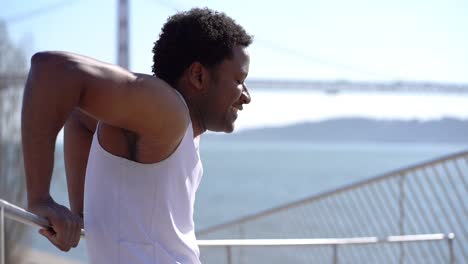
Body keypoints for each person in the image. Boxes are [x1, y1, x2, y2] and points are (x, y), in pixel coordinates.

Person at [22, 7, 252, 263]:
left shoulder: (177, 126)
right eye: (240, 79)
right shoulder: (169, 111)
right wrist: (40, 198)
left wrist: (84, 216)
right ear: (198, 75)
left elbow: (78, 117)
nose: (247, 96)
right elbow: (50, 69)